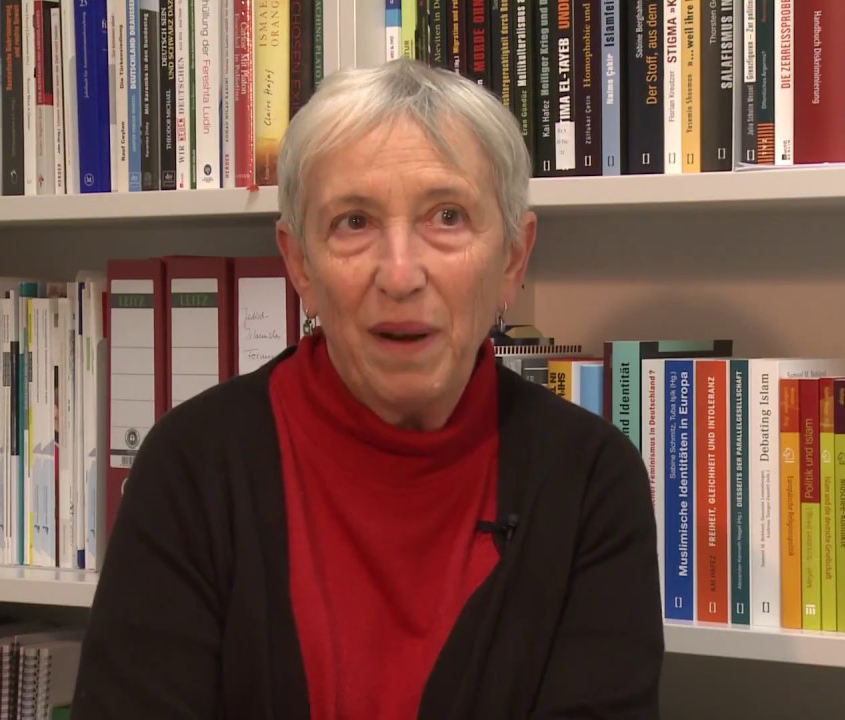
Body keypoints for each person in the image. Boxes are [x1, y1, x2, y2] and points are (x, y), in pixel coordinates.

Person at [70, 58, 664, 719]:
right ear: (300, 263)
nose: (401, 274)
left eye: (447, 216)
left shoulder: (589, 481)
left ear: (513, 259)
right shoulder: (191, 465)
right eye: (354, 222)